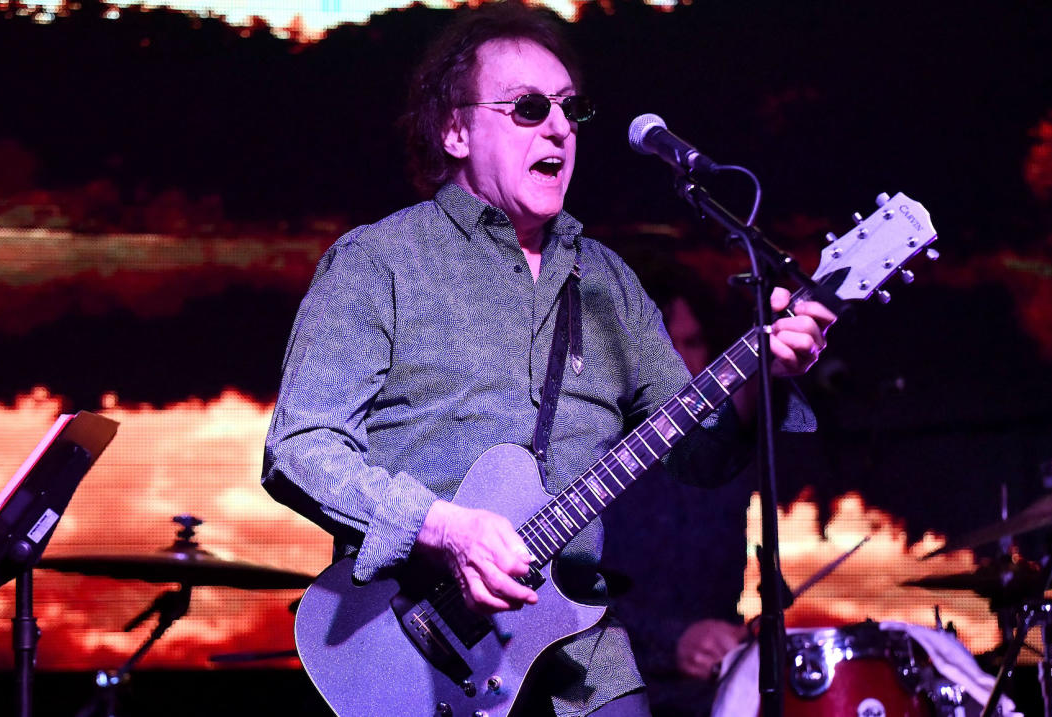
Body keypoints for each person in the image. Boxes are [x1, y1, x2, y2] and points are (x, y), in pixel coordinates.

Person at [261, 4, 834, 716]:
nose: (560, 128)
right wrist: (444, 527)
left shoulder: (609, 283)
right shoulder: (379, 263)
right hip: (409, 645)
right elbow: (300, 447)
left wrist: (763, 376)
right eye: (529, 109)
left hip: (581, 654)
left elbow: (703, 455)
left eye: (571, 109)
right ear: (456, 130)